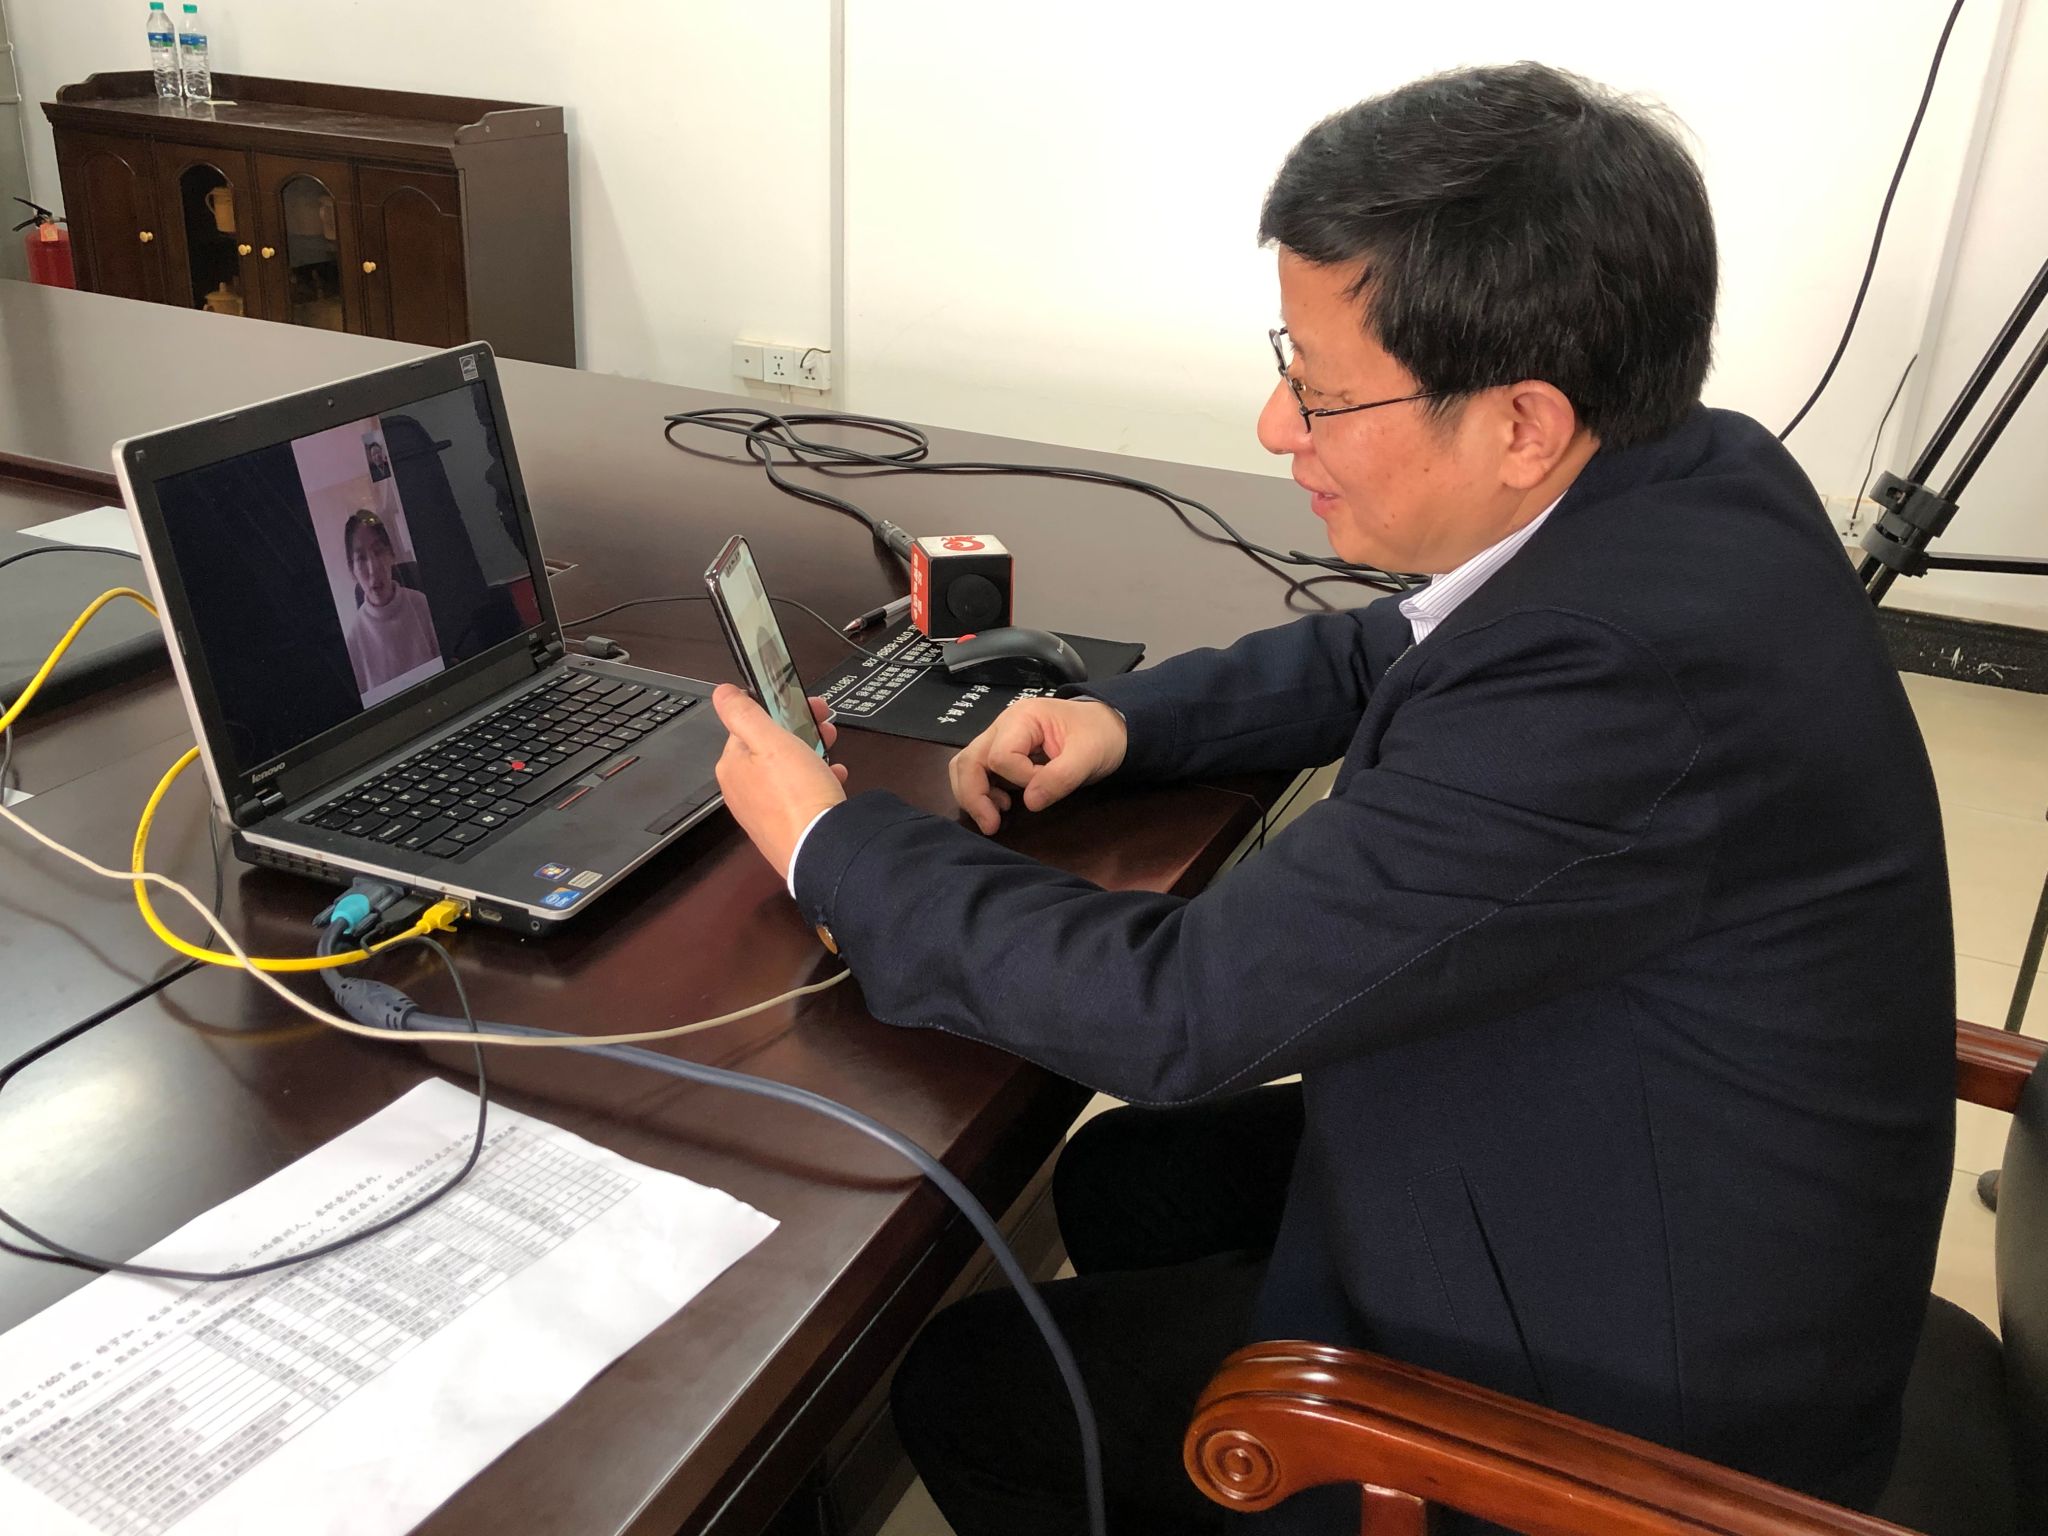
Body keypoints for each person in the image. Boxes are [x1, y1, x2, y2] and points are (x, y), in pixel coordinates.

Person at [710, 63, 1953, 1535]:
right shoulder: (1691, 468)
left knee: (975, 1385)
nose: (1271, 422)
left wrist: (831, 843)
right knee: (1122, 1186)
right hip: (1631, 1148)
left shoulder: (1605, 687)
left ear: (1521, 423)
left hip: (1628, 1416)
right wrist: (1124, 719)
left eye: (1318, 386)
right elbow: (1403, 645)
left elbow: (1179, 1012)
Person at [340, 508, 442, 700]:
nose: (373, 569)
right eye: (361, 558)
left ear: (391, 555)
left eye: (378, 551)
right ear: (352, 570)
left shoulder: (423, 605)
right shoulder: (353, 643)